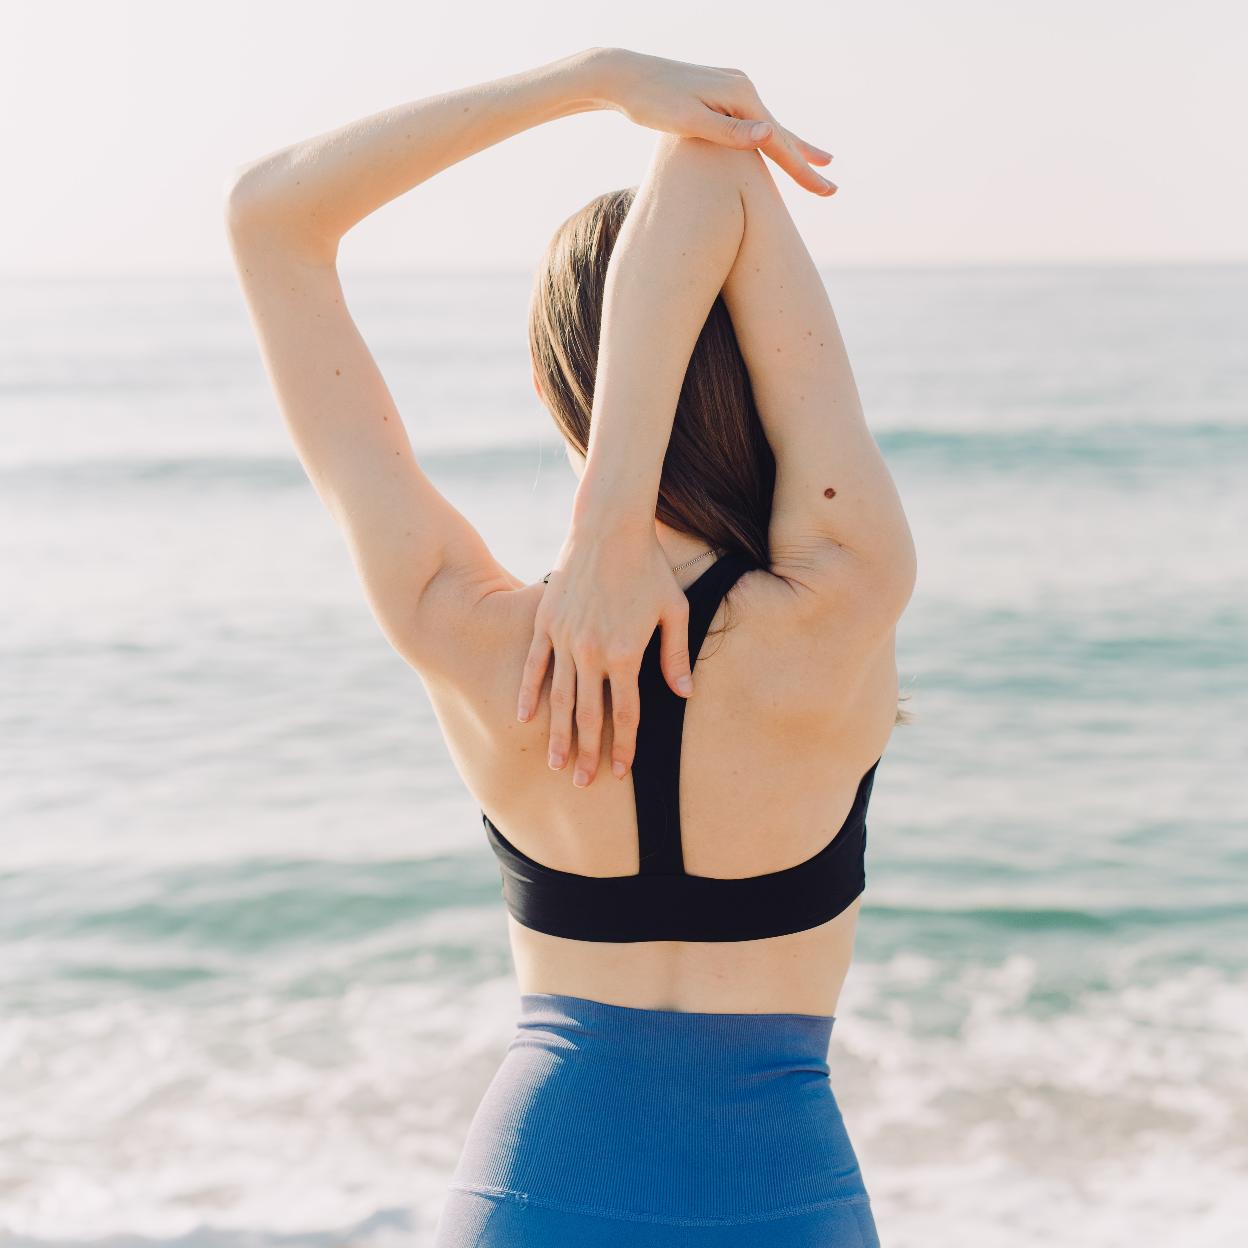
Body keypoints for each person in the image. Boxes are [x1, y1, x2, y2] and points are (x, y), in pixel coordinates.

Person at [225, 45, 915, 1248]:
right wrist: (618, 510)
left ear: (556, 383)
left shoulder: (464, 622)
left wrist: (587, 80)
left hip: (530, 1196)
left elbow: (271, 218)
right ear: (751, 371)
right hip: (779, 1205)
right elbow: (718, 165)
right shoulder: (840, 599)